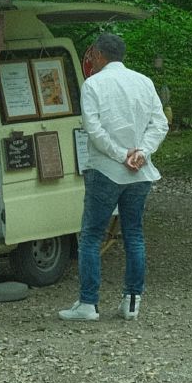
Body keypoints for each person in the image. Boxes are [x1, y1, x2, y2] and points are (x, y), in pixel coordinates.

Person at [59, 32, 169, 322]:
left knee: (92, 236)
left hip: (106, 170)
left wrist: (122, 155)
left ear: (97, 55)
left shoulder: (93, 84)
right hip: (140, 171)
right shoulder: (144, 82)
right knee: (134, 234)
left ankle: (88, 303)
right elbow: (160, 123)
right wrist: (141, 153)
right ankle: (132, 302)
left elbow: (93, 131)